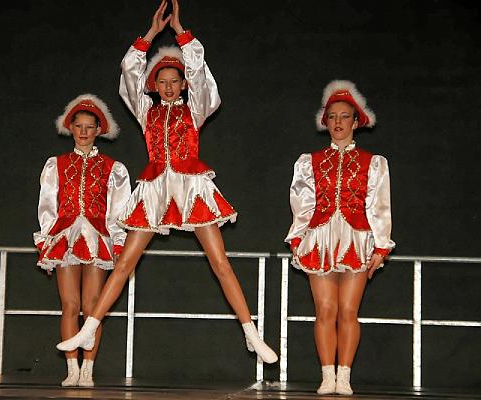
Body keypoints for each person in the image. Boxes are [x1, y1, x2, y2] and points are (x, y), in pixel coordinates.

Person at [56, 0, 278, 365]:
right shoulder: (147, 112)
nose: (169, 87)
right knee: (125, 264)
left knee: (220, 262)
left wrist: (180, 32)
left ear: (183, 84)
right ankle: (89, 327)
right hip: (156, 187)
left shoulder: (195, 109)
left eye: (175, 81)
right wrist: (152, 33)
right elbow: (129, 70)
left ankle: (251, 333)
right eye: (162, 81)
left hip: (191, 187)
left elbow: (203, 77)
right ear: (154, 85)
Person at [285, 80, 395, 395]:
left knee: (348, 311)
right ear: (326, 121)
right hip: (319, 239)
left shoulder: (374, 163)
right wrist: (297, 238)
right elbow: (302, 204)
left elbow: (380, 205)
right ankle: (327, 375)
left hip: (356, 240)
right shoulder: (309, 162)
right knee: (325, 310)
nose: (337, 122)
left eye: (344, 116)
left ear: (356, 122)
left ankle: (344, 376)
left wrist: (381, 246)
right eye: (332, 116)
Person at [34, 94, 131, 386]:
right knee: (69, 305)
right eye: (79, 126)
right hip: (65, 238)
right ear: (71, 128)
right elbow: (47, 205)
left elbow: (119, 210)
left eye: (90, 127)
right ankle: (72, 369)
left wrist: (118, 241)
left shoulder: (114, 168)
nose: (84, 131)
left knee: (92, 307)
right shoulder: (56, 164)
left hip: (97, 239)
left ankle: (88, 369)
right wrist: (47, 240)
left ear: (98, 130)